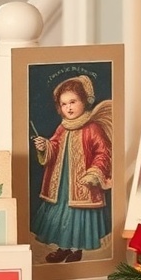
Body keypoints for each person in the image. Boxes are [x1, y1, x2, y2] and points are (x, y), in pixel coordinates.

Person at [31, 75, 112, 263]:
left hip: (83, 182)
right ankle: (64, 248)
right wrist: (45, 147)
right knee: (62, 215)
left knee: (78, 217)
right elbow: (54, 146)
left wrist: (94, 173)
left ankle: (76, 249)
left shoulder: (92, 128)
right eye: (64, 103)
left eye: (73, 102)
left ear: (84, 101)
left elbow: (103, 153)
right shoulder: (62, 127)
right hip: (61, 185)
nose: (69, 107)